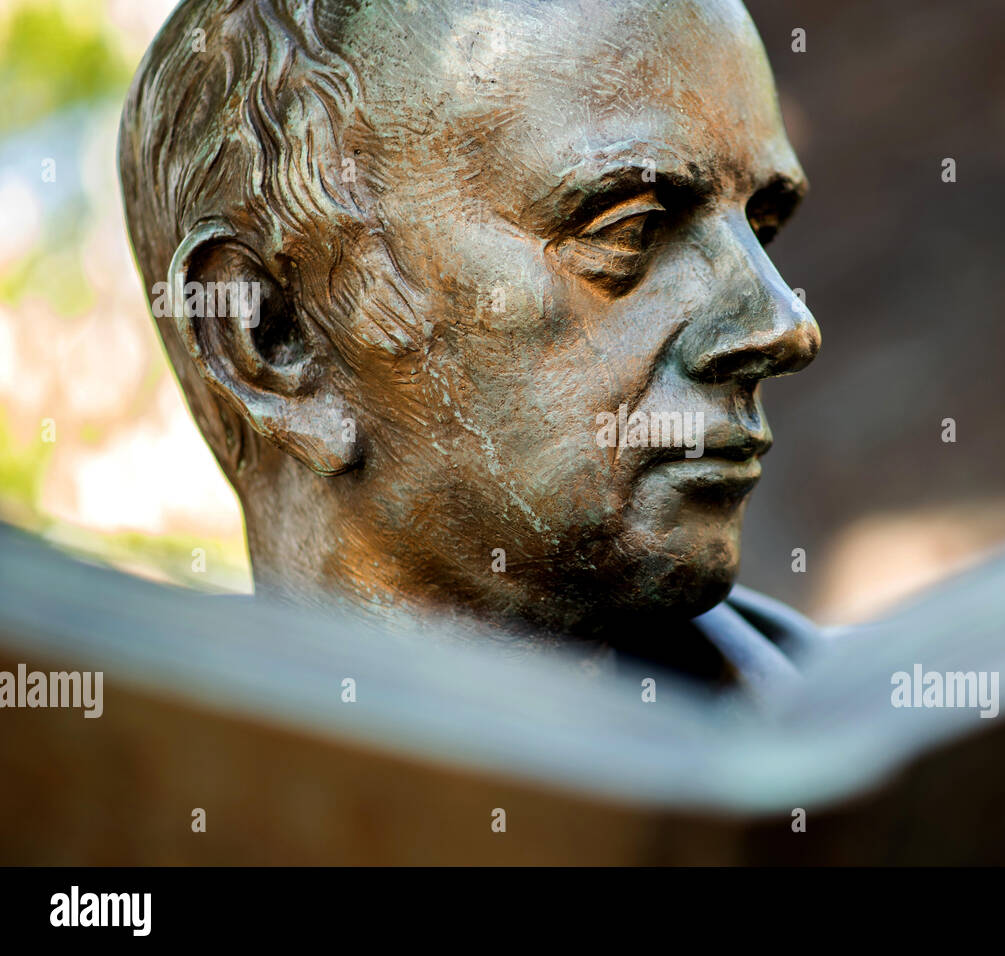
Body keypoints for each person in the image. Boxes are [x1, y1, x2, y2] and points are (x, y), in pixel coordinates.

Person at [119, 0, 822, 693]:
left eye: (762, 228)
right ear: (272, 339)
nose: (785, 326)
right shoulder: (79, 791)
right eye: (629, 229)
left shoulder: (875, 757)